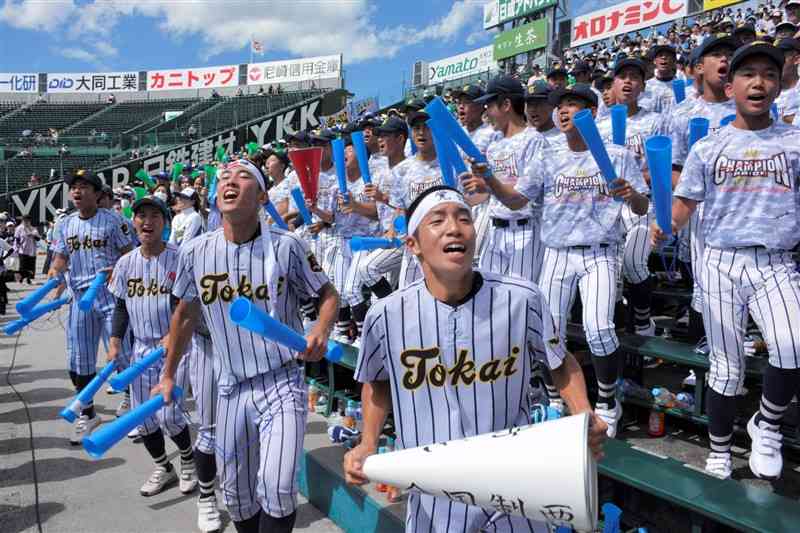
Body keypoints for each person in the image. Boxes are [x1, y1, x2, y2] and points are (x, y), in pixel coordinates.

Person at [344, 185, 607, 532]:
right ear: (413, 246)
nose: (454, 227)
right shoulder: (385, 315)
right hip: (432, 498)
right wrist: (367, 442)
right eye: (437, 220)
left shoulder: (522, 298)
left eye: (464, 218)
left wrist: (584, 412)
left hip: (516, 489)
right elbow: (377, 381)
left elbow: (560, 362)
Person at [156, 157, 338, 533]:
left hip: (282, 381)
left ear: (261, 196)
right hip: (230, 387)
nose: (230, 182)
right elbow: (185, 315)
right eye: (224, 177)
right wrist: (168, 373)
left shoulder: (287, 246)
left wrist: (320, 328)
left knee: (277, 487)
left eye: (243, 177)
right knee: (237, 498)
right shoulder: (195, 251)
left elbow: (328, 294)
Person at [463, 84, 650, 438]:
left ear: (591, 114)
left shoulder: (616, 154)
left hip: (600, 252)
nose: (563, 111)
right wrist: (489, 179)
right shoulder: (547, 155)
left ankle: (608, 401)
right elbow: (517, 200)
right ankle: (554, 399)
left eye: (573, 105)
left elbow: (642, 208)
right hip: (556, 254)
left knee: (598, 328)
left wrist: (632, 194)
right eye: (560, 106)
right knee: (549, 332)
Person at [653, 42, 800, 481]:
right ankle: (718, 449)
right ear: (730, 84)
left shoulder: (794, 142)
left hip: (775, 261)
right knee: (727, 366)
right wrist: (664, 225)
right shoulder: (708, 146)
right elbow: (683, 207)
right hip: (720, 261)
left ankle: (767, 423)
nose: (759, 83)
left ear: (778, 85)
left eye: (768, 75)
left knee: (793, 344)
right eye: (748, 74)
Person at [106, 196, 199, 499]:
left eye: (154, 216)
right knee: (143, 420)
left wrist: (174, 333)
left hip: (176, 346)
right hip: (141, 350)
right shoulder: (125, 263)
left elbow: (184, 304)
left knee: (169, 416)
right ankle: (164, 466)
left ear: (165, 223)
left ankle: (187, 459)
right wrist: (115, 339)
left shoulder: (179, 257)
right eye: (141, 216)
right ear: (133, 222)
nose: (147, 222)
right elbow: (120, 305)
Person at [47, 170, 134, 444]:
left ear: (98, 194)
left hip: (110, 297)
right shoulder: (65, 224)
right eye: (74, 187)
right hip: (80, 299)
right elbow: (61, 256)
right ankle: (87, 413)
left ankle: (132, 403)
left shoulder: (115, 221)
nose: (77, 191)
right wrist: (54, 273)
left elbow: (129, 256)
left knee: (121, 354)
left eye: (84, 186)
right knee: (80, 359)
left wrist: (118, 271)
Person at [597, 58, 667, 337]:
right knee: (609, 269)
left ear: (642, 85)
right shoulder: (599, 126)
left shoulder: (655, 120)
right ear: (612, 84)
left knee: (633, 262)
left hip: (642, 201)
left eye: (634, 77)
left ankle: (642, 319)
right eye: (622, 76)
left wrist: (634, 180)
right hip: (607, 205)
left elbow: (662, 165)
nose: (628, 81)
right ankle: (620, 324)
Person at [470, 75, 549, 284]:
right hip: (495, 231)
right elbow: (487, 195)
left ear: (506, 104)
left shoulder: (535, 141)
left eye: (489, 106)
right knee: (487, 298)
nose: (486, 113)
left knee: (518, 302)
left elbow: (519, 200)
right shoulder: (494, 143)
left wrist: (487, 178)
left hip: (525, 232)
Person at [775, 38, 800, 123]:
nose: (777, 63)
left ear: (796, 60)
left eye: (782, 58)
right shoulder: (767, 92)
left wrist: (791, 120)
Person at [14, 215, 39, 284]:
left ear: (29, 221)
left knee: (31, 266)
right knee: (22, 266)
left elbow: (38, 239)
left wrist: (33, 235)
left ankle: (30, 279)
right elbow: (17, 238)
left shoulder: (33, 229)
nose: (25, 222)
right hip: (22, 250)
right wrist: (17, 246)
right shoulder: (19, 228)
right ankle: (21, 279)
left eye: (27, 221)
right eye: (24, 221)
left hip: (32, 250)